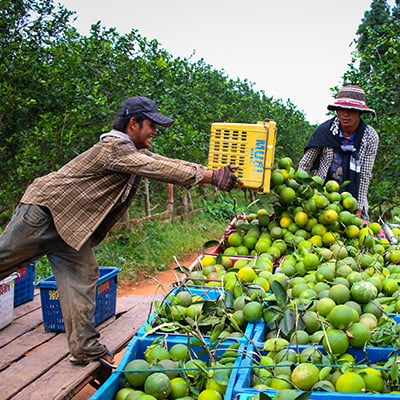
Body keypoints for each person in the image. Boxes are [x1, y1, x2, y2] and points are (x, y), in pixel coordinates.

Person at [0, 96, 241, 367]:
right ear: (133, 123)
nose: (155, 131)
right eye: (151, 124)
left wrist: (213, 174)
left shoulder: (132, 150)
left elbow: (168, 162)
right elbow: (157, 168)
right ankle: (85, 347)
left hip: (71, 226)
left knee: (83, 274)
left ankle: (85, 349)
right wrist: (210, 177)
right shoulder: (114, 147)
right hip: (44, 212)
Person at [297, 85, 379, 221]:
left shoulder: (369, 136)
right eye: (342, 109)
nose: (346, 114)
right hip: (321, 197)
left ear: (360, 112)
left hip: (352, 198)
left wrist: (359, 208)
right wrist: (301, 193)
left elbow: (365, 174)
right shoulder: (325, 131)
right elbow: (305, 165)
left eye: (351, 110)